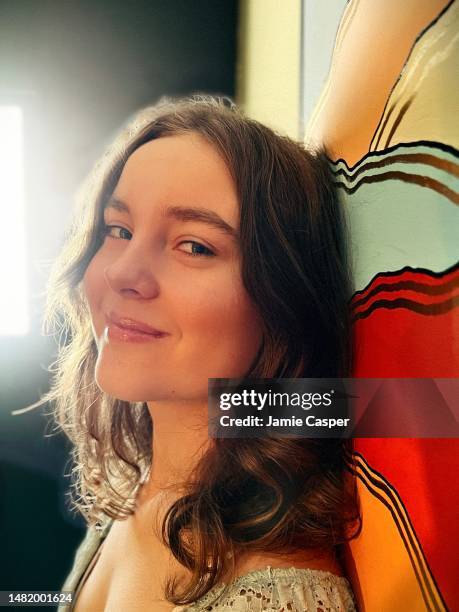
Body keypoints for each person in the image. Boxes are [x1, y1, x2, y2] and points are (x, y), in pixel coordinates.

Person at [40, 95, 360, 610]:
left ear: (282, 301)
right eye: (118, 230)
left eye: (194, 246)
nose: (122, 273)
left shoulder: (277, 597)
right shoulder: (136, 490)